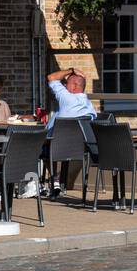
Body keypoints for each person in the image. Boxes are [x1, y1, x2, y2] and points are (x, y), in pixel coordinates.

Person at [45, 67, 96, 199]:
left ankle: (53, 181)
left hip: (56, 147)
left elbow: (51, 77)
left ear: (73, 86)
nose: (64, 86)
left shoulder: (66, 97)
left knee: (40, 146)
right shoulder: (89, 106)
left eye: (66, 83)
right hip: (79, 149)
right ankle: (57, 183)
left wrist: (71, 70)